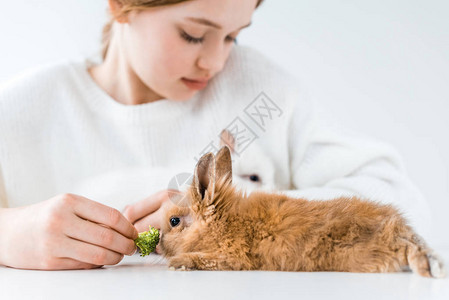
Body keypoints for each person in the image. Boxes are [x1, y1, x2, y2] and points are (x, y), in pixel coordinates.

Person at [0, 0, 430, 271]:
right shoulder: (23, 107)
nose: (215, 61)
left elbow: (403, 199)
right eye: (193, 34)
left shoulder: (264, 93)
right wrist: (8, 233)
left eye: (232, 38)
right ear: (121, 5)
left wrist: (242, 211)